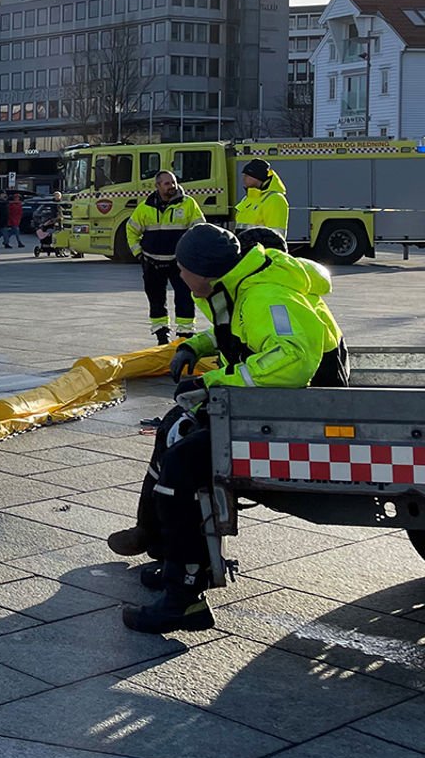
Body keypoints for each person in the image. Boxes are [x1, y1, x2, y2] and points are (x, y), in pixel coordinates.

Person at [111, 224, 349, 634]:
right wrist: (195, 348)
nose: (179, 279)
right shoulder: (239, 286)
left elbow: (292, 361)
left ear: (202, 273)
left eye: (182, 271)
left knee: (184, 466)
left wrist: (213, 383)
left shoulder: (266, 295)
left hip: (299, 419)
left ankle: (183, 595)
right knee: (174, 429)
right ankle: (167, 552)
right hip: (271, 409)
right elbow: (241, 337)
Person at [127, 170, 205, 347]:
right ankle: (162, 337)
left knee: (185, 299)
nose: (172, 186)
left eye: (174, 182)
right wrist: (139, 253)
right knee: (156, 301)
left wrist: (193, 255)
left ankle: (186, 337)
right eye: (167, 183)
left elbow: (200, 230)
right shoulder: (145, 207)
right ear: (157, 186)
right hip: (152, 263)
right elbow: (131, 230)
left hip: (180, 264)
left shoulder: (188, 204)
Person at [235, 158, 288, 238]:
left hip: (262, 250)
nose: (244, 178)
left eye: (247, 175)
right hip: (247, 249)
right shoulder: (247, 198)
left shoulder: (275, 199)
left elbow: (276, 236)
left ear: (257, 177)